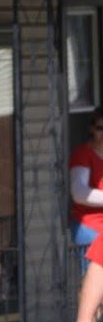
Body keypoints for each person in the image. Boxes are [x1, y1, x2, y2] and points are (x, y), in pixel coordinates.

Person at [69, 107, 103, 273]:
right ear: (92, 129)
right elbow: (79, 192)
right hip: (90, 228)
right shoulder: (83, 153)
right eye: (100, 128)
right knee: (94, 280)